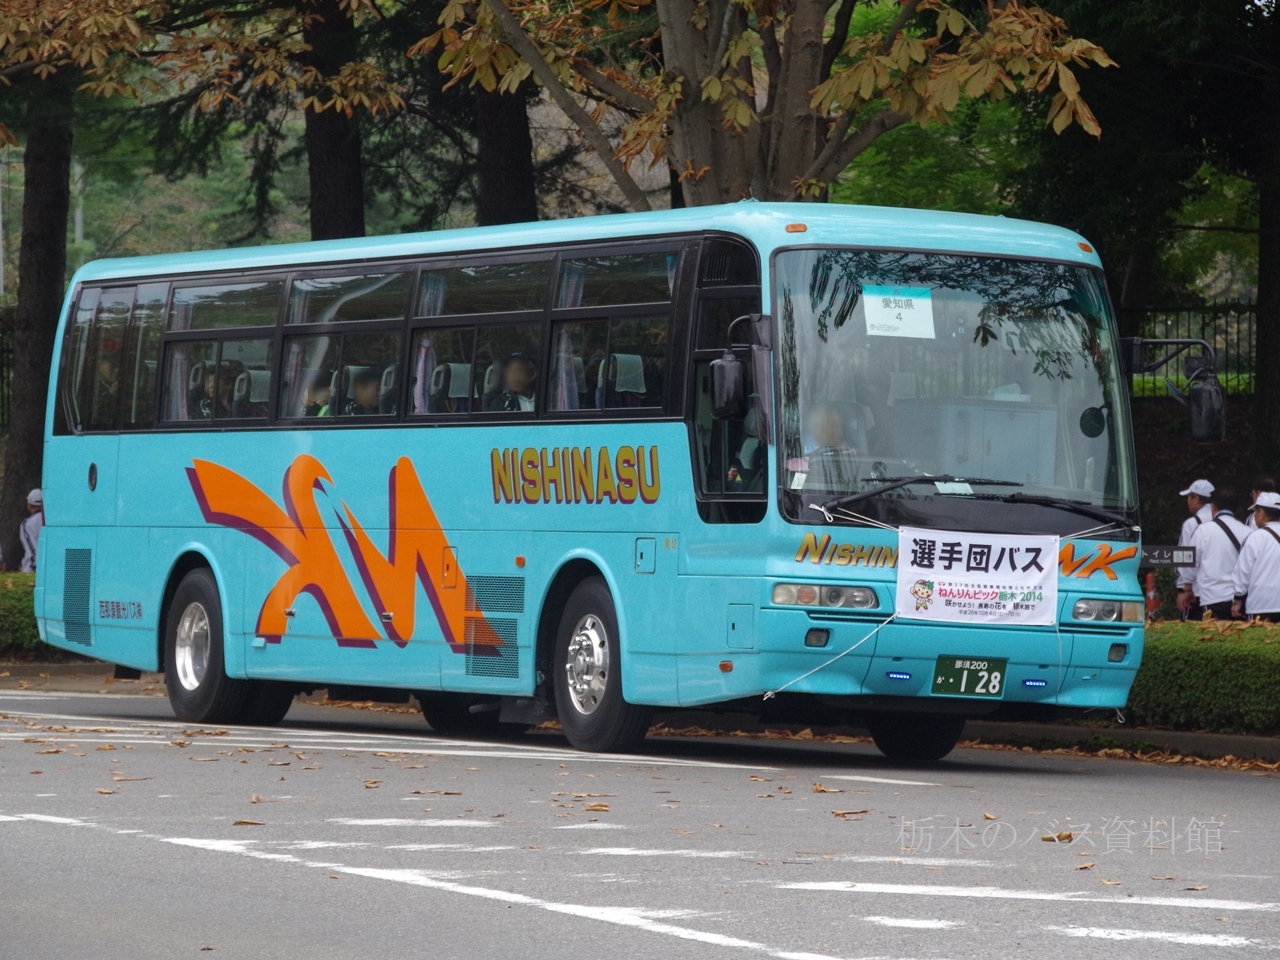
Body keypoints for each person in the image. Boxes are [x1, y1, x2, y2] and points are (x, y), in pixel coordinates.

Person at [1187, 487, 1248, 620]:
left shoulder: (1203, 531)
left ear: (1213, 507)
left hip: (1212, 598)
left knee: (1213, 632)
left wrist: (1186, 588)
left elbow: (1190, 563)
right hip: (1239, 600)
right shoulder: (1247, 531)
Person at [1232, 491, 1280, 622]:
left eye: (1256, 512)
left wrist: (1238, 599)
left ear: (1262, 514)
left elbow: (1243, 571)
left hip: (1260, 605)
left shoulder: (1255, 537)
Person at [1175, 478, 1214, 620]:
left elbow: (1184, 557)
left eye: (1189, 497)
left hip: (1195, 591)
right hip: (1222, 594)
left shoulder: (1191, 524)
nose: (1187, 501)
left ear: (1196, 499)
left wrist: (1182, 589)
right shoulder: (1223, 521)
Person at [20, 488, 42, 574]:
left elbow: (31, 549)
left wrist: (36, 567)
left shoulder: (27, 524)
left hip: (31, 570)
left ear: (29, 505)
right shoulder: (50, 521)